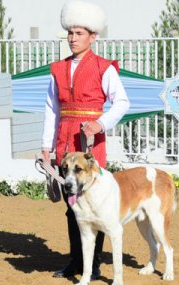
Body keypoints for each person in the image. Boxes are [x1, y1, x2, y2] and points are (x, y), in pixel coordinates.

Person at [41, 0, 130, 280]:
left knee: (96, 201)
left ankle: (93, 265)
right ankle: (76, 262)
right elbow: (51, 109)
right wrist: (46, 146)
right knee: (71, 204)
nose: (72, 38)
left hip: (91, 142)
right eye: (70, 33)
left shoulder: (105, 68)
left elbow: (122, 102)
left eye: (79, 33)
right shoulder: (57, 69)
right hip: (64, 142)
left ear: (93, 36)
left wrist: (100, 123)